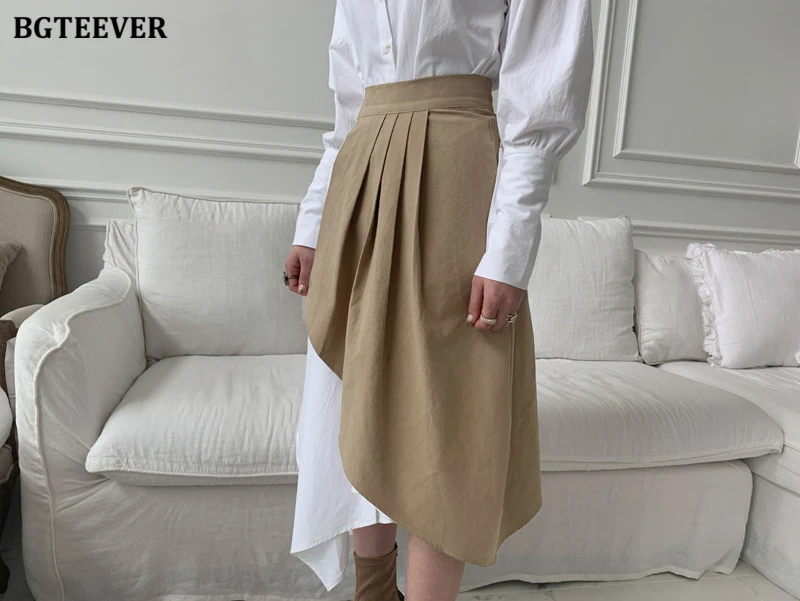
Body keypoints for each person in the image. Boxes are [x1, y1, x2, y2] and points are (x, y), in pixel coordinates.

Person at [283, 2, 594, 600]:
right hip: (360, 181)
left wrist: (509, 251)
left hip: (456, 179)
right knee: (358, 395)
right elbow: (348, 106)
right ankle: (374, 594)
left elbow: (541, 93)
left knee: (447, 415)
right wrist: (313, 224)